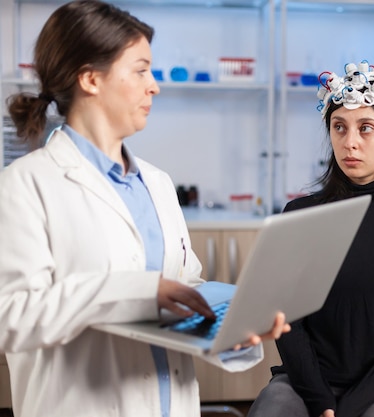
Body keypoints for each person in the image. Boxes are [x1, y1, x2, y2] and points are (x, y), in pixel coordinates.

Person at [0, 1, 289, 416]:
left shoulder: (156, 182)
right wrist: (136, 292)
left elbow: (183, 285)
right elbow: (11, 317)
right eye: (140, 70)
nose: (154, 85)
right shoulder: (25, 185)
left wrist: (230, 328)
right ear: (90, 78)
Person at [247, 61, 374, 417]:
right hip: (310, 379)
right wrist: (320, 399)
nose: (350, 142)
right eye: (339, 127)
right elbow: (287, 322)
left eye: (366, 128)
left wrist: (350, 407)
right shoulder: (299, 214)